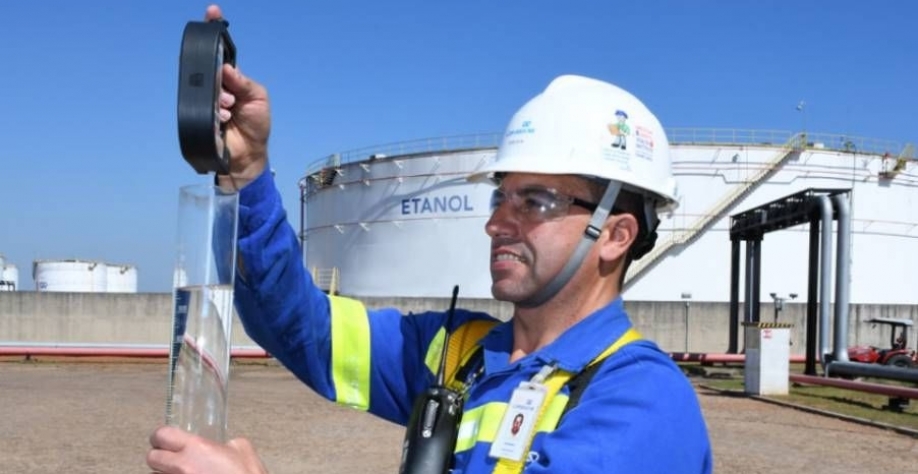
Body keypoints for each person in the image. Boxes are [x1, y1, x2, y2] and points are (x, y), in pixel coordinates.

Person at [147, 5, 713, 473]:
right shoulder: (461, 352)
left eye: (536, 201)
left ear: (615, 234)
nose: (497, 223)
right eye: (501, 196)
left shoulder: (642, 405)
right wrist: (247, 172)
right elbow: (303, 328)